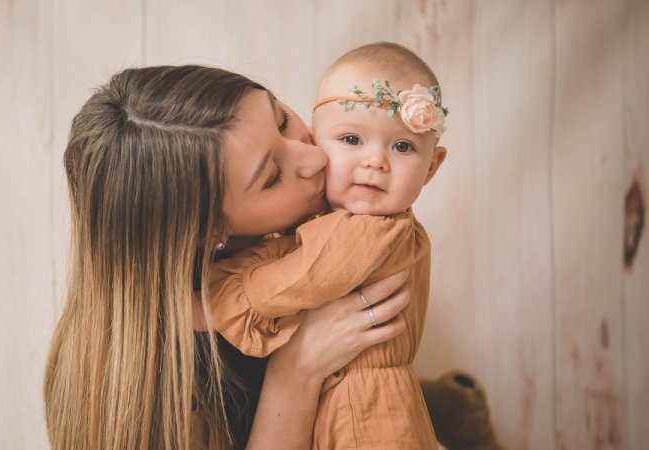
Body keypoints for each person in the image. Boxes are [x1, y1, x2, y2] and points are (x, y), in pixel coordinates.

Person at [42, 64, 411, 450]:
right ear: (206, 233)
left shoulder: (328, 228)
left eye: (282, 119)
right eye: (272, 177)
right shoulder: (160, 381)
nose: (314, 158)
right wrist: (298, 369)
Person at [208, 42, 447, 448]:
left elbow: (296, 275)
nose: (375, 162)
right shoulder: (332, 225)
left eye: (402, 146)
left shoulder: (373, 231)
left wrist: (208, 302)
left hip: (368, 420)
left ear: (432, 167)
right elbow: (290, 254)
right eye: (352, 139)